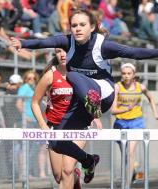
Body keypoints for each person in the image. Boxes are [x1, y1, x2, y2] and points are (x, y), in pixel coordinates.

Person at [10, 8, 158, 183]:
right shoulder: (68, 42)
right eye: (74, 25)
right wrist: (22, 43)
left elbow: (134, 52)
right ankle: (88, 160)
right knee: (56, 141)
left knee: (73, 75)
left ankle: (93, 103)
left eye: (82, 25)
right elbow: (44, 42)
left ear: (92, 27)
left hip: (103, 94)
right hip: (82, 101)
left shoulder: (103, 45)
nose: (77, 29)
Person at [32, 48, 97, 188]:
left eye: (66, 51)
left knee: (66, 169)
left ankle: (74, 171)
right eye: (58, 51)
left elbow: (92, 97)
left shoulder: (81, 74)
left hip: (77, 127)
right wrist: (43, 126)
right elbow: (34, 102)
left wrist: (94, 115)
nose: (62, 55)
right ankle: (76, 176)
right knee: (58, 175)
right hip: (55, 128)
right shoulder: (50, 75)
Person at [111, 63, 158, 182]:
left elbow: (151, 98)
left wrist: (155, 114)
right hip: (120, 122)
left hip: (136, 122)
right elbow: (113, 111)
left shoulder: (141, 87)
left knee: (130, 152)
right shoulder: (117, 87)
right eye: (124, 73)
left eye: (129, 73)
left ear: (134, 74)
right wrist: (127, 108)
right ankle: (133, 171)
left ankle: (127, 183)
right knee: (125, 154)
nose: (126, 76)